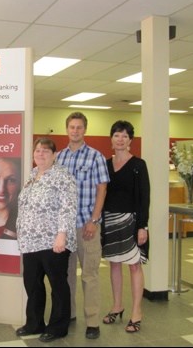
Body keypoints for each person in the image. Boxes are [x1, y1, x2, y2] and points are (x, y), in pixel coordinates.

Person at [15, 137, 77, 343]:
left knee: (58, 285)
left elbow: (68, 207)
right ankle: (34, 323)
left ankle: (58, 327)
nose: (40, 154)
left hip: (53, 241)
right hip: (31, 241)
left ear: (54, 155)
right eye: (38, 150)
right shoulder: (33, 175)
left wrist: (62, 235)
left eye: (45, 151)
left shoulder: (62, 176)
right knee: (32, 284)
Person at [56, 111, 110, 340]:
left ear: (84, 130)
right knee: (65, 275)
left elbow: (102, 190)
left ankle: (93, 321)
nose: (75, 131)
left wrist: (94, 220)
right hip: (64, 228)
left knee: (89, 275)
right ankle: (68, 314)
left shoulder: (96, 156)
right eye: (72, 127)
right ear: (67, 129)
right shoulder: (58, 157)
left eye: (79, 127)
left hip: (87, 226)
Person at [101, 120, 150, 333]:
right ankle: (117, 306)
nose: (120, 139)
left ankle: (136, 312)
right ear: (111, 139)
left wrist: (142, 226)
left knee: (134, 265)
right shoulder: (104, 164)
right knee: (114, 264)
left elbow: (144, 198)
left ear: (130, 140)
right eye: (116, 135)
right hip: (110, 221)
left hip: (131, 221)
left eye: (124, 136)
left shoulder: (139, 165)